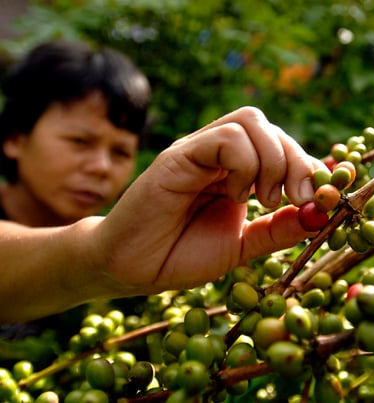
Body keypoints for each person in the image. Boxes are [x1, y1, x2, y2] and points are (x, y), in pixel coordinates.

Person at [0, 40, 323, 326]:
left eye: (120, 151)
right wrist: (100, 253)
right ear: (15, 138)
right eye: (79, 141)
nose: (101, 167)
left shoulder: (141, 294)